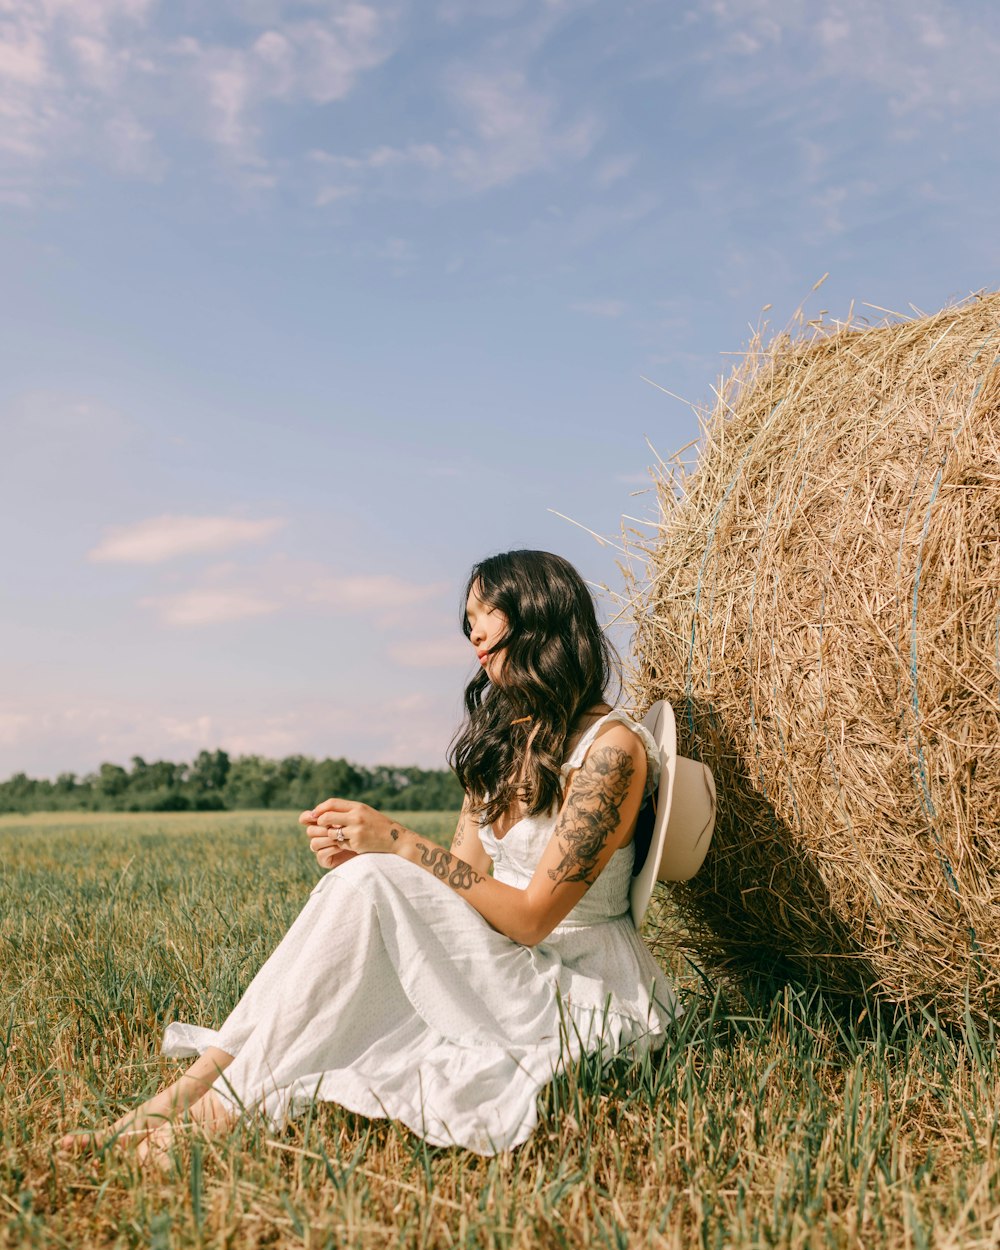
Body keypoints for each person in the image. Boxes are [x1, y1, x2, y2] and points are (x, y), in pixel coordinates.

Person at [59, 549, 678, 1160]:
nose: (473, 633)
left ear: (537, 612)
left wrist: (398, 844)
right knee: (368, 882)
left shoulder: (611, 751)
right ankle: (188, 1094)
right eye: (468, 620)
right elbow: (460, 883)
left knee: (380, 878)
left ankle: (217, 1111)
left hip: (581, 986)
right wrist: (368, 862)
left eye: (485, 611)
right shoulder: (503, 743)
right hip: (511, 963)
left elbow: (533, 918)